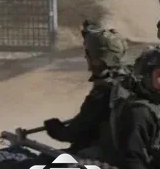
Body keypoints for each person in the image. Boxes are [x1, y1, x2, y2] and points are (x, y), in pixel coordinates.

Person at [44, 21, 130, 158]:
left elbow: (73, 134)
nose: (86, 57)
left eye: (88, 54)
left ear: (97, 59)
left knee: (43, 161)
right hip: (130, 151)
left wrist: (53, 128)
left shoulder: (104, 91)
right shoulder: (132, 78)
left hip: (109, 156)